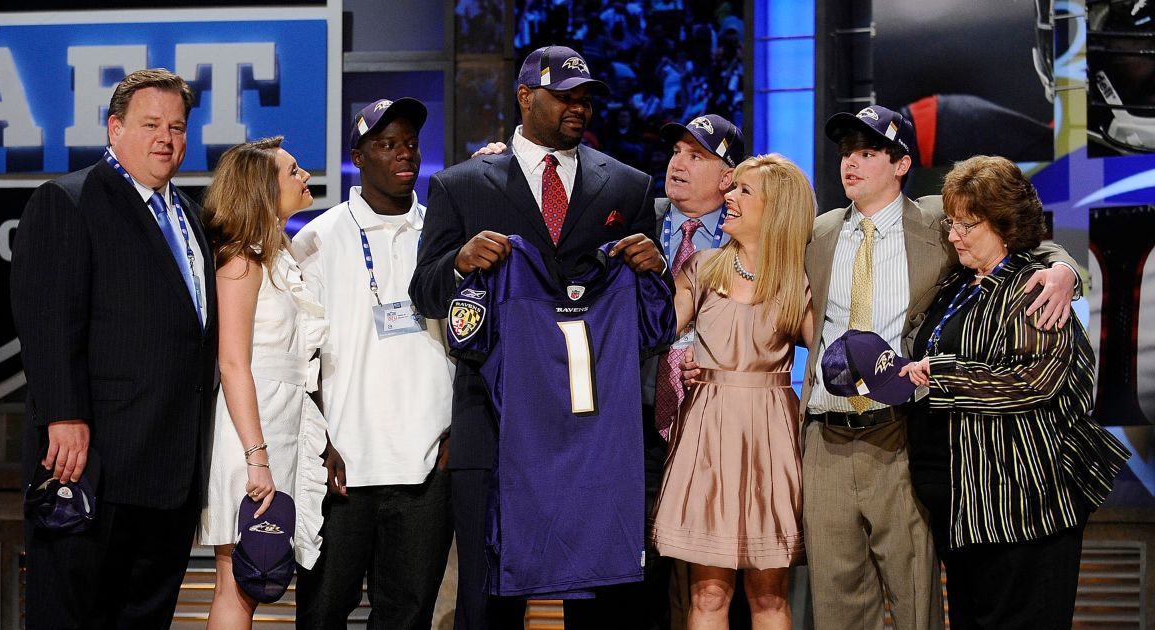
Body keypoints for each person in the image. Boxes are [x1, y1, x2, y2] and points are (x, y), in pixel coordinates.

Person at [409, 44, 664, 630]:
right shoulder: (462, 185)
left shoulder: (627, 187)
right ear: (525, 97)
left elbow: (649, 312)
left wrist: (655, 267)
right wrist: (458, 264)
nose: (580, 106)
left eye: (586, 96)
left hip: (588, 426)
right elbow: (423, 291)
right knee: (488, 598)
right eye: (564, 95)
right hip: (492, 419)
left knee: (596, 591)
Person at [798, 105, 1080, 630]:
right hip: (826, 438)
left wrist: (1064, 269)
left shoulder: (937, 223)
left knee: (916, 601)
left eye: (867, 152)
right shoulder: (819, 233)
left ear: (901, 163)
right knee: (835, 605)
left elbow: (1018, 240)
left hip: (902, 438)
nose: (851, 164)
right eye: (845, 154)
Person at [10, 68, 218, 628]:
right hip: (91, 468)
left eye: (176, 127)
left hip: (170, 475)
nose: (165, 139)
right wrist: (63, 414)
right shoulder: (68, 201)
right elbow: (49, 320)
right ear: (114, 127)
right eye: (150, 124)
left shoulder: (192, 217)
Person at [899, 155, 1130, 629]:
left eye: (968, 225)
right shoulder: (957, 282)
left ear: (1005, 224)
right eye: (952, 223)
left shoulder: (1034, 288)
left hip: (1022, 504)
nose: (954, 235)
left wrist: (943, 374)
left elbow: (1032, 383)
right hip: (963, 506)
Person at [292, 98, 454, 629]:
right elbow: (300, 354)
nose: (404, 154)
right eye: (387, 145)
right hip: (343, 465)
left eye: (409, 144)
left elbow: (467, 341)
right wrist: (318, 440)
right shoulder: (318, 238)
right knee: (323, 614)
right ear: (358, 157)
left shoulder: (442, 236)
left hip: (426, 464)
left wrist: (458, 430)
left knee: (407, 618)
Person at [652, 154, 813, 630]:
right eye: (732, 188)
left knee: (769, 597)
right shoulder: (702, 268)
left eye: (744, 191)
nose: (729, 197)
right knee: (707, 593)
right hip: (708, 434)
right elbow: (652, 331)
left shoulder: (799, 281)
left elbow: (834, 349)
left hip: (771, 438)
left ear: (777, 208)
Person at [195, 137, 328, 628]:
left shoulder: (276, 255)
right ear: (262, 189)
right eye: (293, 171)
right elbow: (232, 362)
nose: (305, 177)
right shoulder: (240, 261)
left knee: (257, 575)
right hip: (249, 432)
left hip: (281, 425)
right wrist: (256, 458)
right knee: (238, 578)